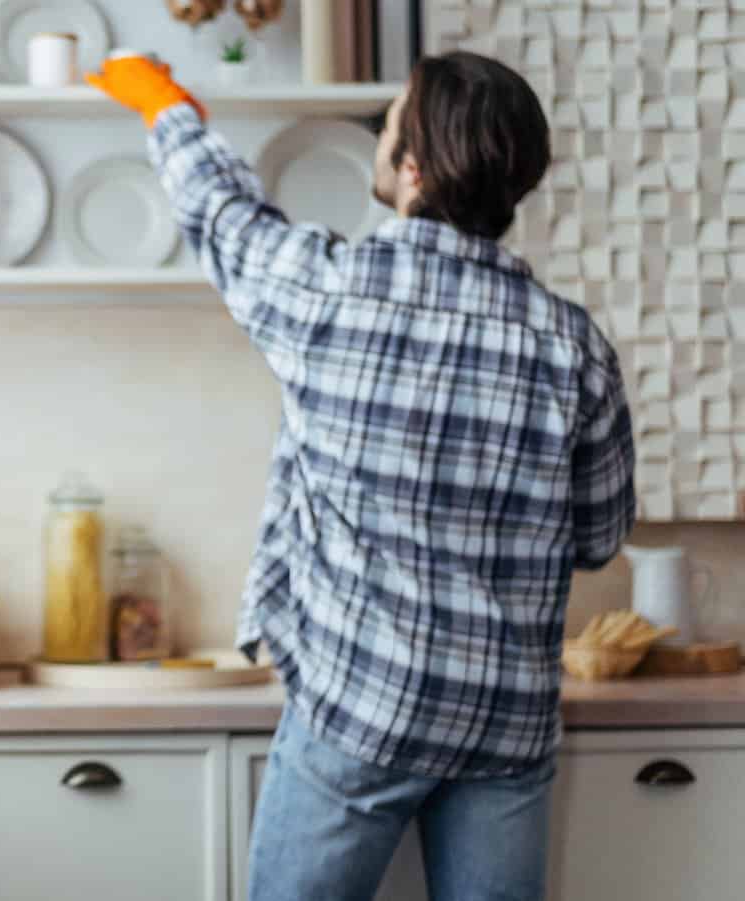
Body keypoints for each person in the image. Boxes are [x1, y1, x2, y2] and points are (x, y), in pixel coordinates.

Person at [89, 50, 635, 900]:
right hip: (506, 723)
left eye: (389, 123)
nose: (379, 134)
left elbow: (222, 210)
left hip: (360, 710)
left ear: (412, 165)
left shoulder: (326, 291)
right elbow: (600, 540)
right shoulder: (575, 348)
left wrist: (166, 108)